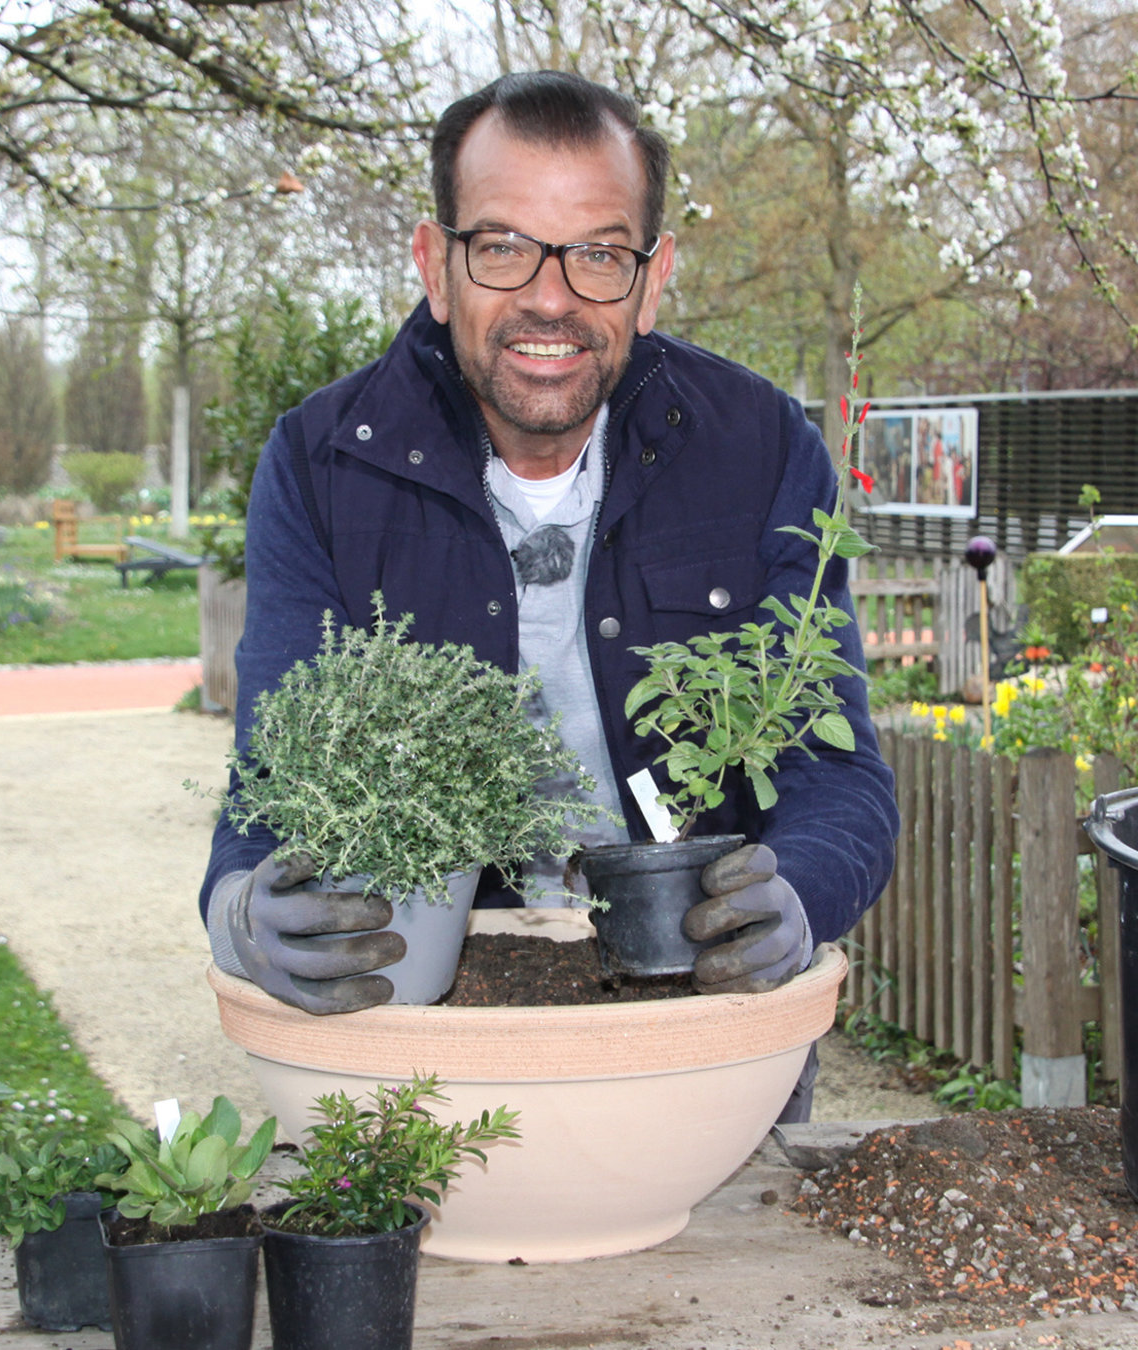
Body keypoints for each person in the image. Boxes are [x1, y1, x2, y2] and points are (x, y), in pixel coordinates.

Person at [197, 71, 898, 1114]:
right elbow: (271, 781)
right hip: (428, 1054)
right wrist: (241, 912)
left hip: (700, 1036)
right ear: (438, 267)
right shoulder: (322, 466)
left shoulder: (759, 452)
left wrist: (796, 892)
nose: (550, 297)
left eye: (599, 254)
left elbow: (838, 776)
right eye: (502, 246)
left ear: (652, 280)